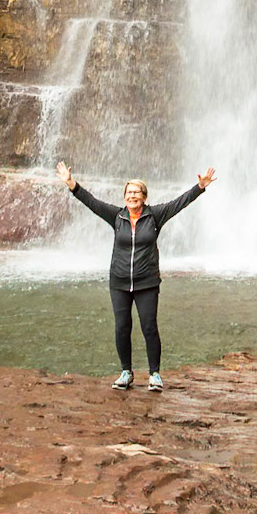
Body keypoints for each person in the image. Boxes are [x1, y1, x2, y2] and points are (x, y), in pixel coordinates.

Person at [56, 160, 216, 390]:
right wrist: (71, 183)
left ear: (144, 197)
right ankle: (126, 372)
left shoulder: (155, 216)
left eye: (137, 192)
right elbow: (91, 202)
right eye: (129, 192)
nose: (132, 196)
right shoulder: (116, 216)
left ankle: (154, 374)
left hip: (147, 282)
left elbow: (179, 203)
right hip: (119, 281)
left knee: (149, 326)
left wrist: (199, 187)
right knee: (122, 326)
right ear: (124, 197)